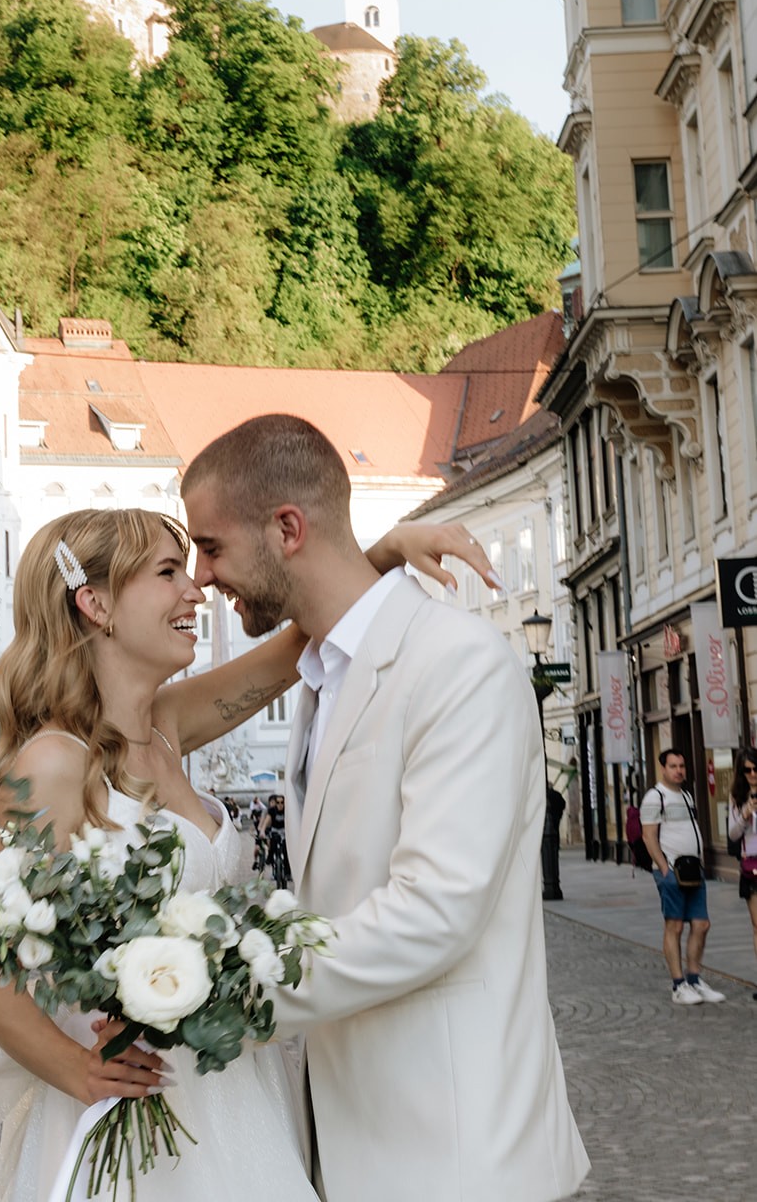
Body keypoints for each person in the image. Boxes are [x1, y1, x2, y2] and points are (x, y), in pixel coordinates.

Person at [0, 508, 486, 1202]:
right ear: (96, 603)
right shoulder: (49, 765)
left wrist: (381, 553)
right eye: (167, 573)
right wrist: (82, 1073)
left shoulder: (167, 726)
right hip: (136, 1113)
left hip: (236, 1092)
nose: (194, 593)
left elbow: (296, 646)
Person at [181, 413, 590, 1202]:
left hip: (456, 1148)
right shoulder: (324, 675)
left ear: (287, 528)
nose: (202, 576)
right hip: (350, 1136)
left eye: (211, 546)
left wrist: (219, 988)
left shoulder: (457, 663)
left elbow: (433, 910)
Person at [640, 748, 726, 1007]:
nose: (679, 771)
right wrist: (664, 868)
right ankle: (678, 985)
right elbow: (648, 836)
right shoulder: (655, 797)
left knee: (701, 925)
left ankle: (695, 979)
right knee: (674, 926)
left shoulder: (687, 795)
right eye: (673, 766)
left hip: (693, 870)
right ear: (663, 769)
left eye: (682, 766)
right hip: (672, 871)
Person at [727, 747, 757, 999]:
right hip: (752, 866)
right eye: (747, 770)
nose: (752, 774)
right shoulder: (737, 797)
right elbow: (733, 835)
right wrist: (745, 814)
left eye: (756, 768)